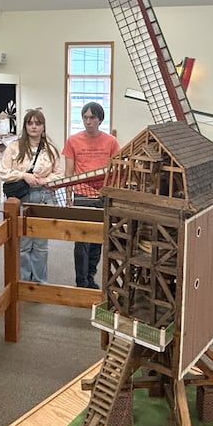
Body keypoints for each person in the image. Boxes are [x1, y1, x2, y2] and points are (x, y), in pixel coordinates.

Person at [0, 108, 63, 282]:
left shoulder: (50, 149)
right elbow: (4, 172)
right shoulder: (14, 147)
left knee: (41, 243)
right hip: (21, 197)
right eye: (30, 123)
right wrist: (23, 175)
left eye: (38, 123)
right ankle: (24, 282)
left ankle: (40, 282)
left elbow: (59, 174)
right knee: (24, 242)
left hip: (44, 196)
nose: (34, 127)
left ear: (43, 126)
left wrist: (45, 180)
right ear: (25, 126)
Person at [62, 102, 120, 289]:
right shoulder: (73, 140)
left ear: (100, 120)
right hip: (82, 195)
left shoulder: (111, 142)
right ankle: (81, 281)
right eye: (85, 117)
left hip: (102, 197)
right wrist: (68, 196)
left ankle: (90, 277)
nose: (88, 122)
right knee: (81, 241)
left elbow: (116, 170)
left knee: (98, 240)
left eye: (92, 118)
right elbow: (68, 173)